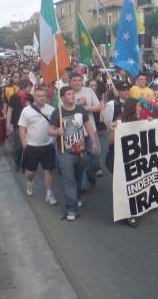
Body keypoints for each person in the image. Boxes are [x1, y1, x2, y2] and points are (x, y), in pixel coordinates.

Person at [48, 86, 99, 221]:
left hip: (81, 151)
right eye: (69, 94)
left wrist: (94, 142)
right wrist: (57, 132)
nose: (72, 96)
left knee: (78, 177)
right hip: (65, 152)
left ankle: (77, 197)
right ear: (63, 98)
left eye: (72, 94)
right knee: (68, 180)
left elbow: (88, 126)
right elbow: (50, 130)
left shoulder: (80, 109)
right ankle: (71, 209)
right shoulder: (57, 113)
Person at [18, 87, 57, 205]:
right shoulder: (26, 110)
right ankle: (30, 182)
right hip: (32, 146)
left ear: (46, 97)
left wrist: (53, 142)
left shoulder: (52, 110)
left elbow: (55, 126)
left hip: (47, 145)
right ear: (34, 97)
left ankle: (49, 193)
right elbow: (22, 128)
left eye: (43, 96)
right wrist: (25, 145)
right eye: (39, 96)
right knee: (30, 172)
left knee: (48, 170)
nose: (41, 98)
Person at [109, 97, 143, 227]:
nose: (140, 108)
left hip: (135, 159)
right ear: (132, 108)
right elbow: (111, 141)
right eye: (139, 106)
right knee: (124, 187)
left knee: (135, 184)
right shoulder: (120, 120)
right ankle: (127, 213)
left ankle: (134, 210)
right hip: (120, 160)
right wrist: (115, 129)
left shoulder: (139, 120)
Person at [70, 72, 103, 182]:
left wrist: (86, 108)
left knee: (96, 153)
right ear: (70, 81)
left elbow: (99, 107)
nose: (77, 82)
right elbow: (62, 111)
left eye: (79, 80)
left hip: (90, 129)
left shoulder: (89, 91)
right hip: (75, 131)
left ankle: (90, 171)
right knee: (80, 159)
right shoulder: (66, 92)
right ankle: (81, 184)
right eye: (74, 80)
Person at [7, 80, 34, 172]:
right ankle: (17, 161)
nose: (31, 90)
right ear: (25, 87)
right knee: (18, 146)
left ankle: (24, 164)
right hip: (17, 125)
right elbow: (10, 111)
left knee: (27, 146)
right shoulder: (14, 97)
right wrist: (8, 124)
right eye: (30, 88)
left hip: (29, 125)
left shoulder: (30, 97)